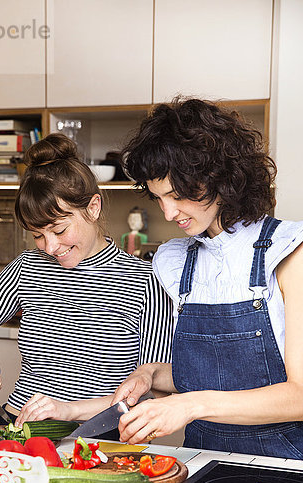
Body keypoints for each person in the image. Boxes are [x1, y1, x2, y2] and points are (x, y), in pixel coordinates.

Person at [111, 97, 303, 459]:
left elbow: (300, 396)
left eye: (177, 195)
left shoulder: (288, 251)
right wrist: (150, 375)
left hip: (284, 468)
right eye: (158, 198)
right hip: (201, 461)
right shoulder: (175, 263)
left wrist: (189, 406)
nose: (168, 212)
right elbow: (208, 374)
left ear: (220, 178)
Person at [0, 133, 173, 431]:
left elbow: (152, 392)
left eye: (59, 230)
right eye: (38, 235)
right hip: (18, 426)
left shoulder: (146, 281)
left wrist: (67, 410)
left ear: (93, 208)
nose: (50, 247)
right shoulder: (26, 268)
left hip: (99, 436)